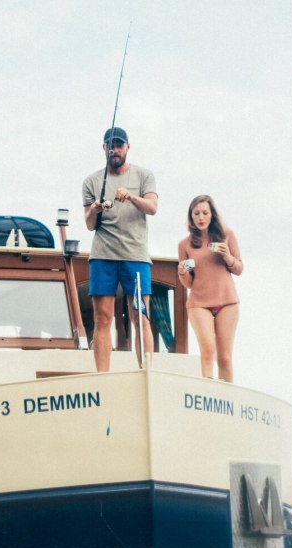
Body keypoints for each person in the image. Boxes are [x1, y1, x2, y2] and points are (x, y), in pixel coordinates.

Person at [82, 127, 159, 372]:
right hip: (102, 256)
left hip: (135, 256)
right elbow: (89, 225)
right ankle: (102, 376)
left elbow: (152, 207)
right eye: (110, 145)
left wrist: (132, 197)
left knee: (140, 316)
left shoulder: (144, 175)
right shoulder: (91, 181)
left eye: (119, 145)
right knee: (103, 318)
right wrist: (94, 208)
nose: (114, 149)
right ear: (104, 148)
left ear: (127, 147)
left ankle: (145, 371)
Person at [177, 195, 242, 382]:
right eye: (196, 213)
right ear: (191, 217)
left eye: (205, 213)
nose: (201, 217)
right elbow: (189, 283)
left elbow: (239, 269)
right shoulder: (184, 245)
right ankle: (208, 392)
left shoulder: (227, 235)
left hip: (227, 301)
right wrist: (182, 272)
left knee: (225, 357)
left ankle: (227, 400)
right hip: (199, 303)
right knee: (208, 351)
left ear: (212, 215)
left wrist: (228, 257)